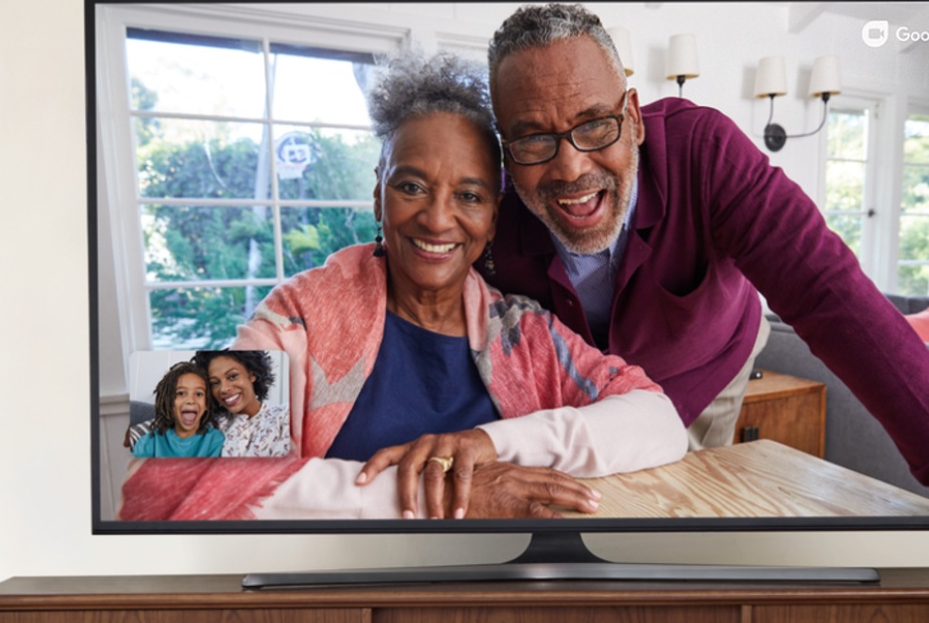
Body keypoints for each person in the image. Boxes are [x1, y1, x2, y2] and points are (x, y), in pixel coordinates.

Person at [482, 3, 929, 517]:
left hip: (708, 360)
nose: (571, 168)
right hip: (575, 393)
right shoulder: (489, 210)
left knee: (686, 496)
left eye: (596, 124)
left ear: (635, 118)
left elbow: (832, 296)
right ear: (506, 152)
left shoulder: (705, 152)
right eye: (533, 138)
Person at [118, 52, 687, 522]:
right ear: (378, 194)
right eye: (412, 186)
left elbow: (660, 423)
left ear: (493, 215)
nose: (438, 220)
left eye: (468, 195)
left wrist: (489, 445)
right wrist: (436, 495)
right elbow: (163, 475)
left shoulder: (522, 329)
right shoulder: (301, 312)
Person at [193, 350, 291, 458]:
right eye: (215, 383)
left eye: (232, 376)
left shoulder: (285, 417)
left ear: (252, 374)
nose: (223, 389)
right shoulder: (210, 428)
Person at [131, 361, 224, 458]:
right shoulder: (150, 442)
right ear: (169, 402)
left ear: (207, 404)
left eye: (199, 394)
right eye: (181, 393)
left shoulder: (215, 440)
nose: (190, 400)